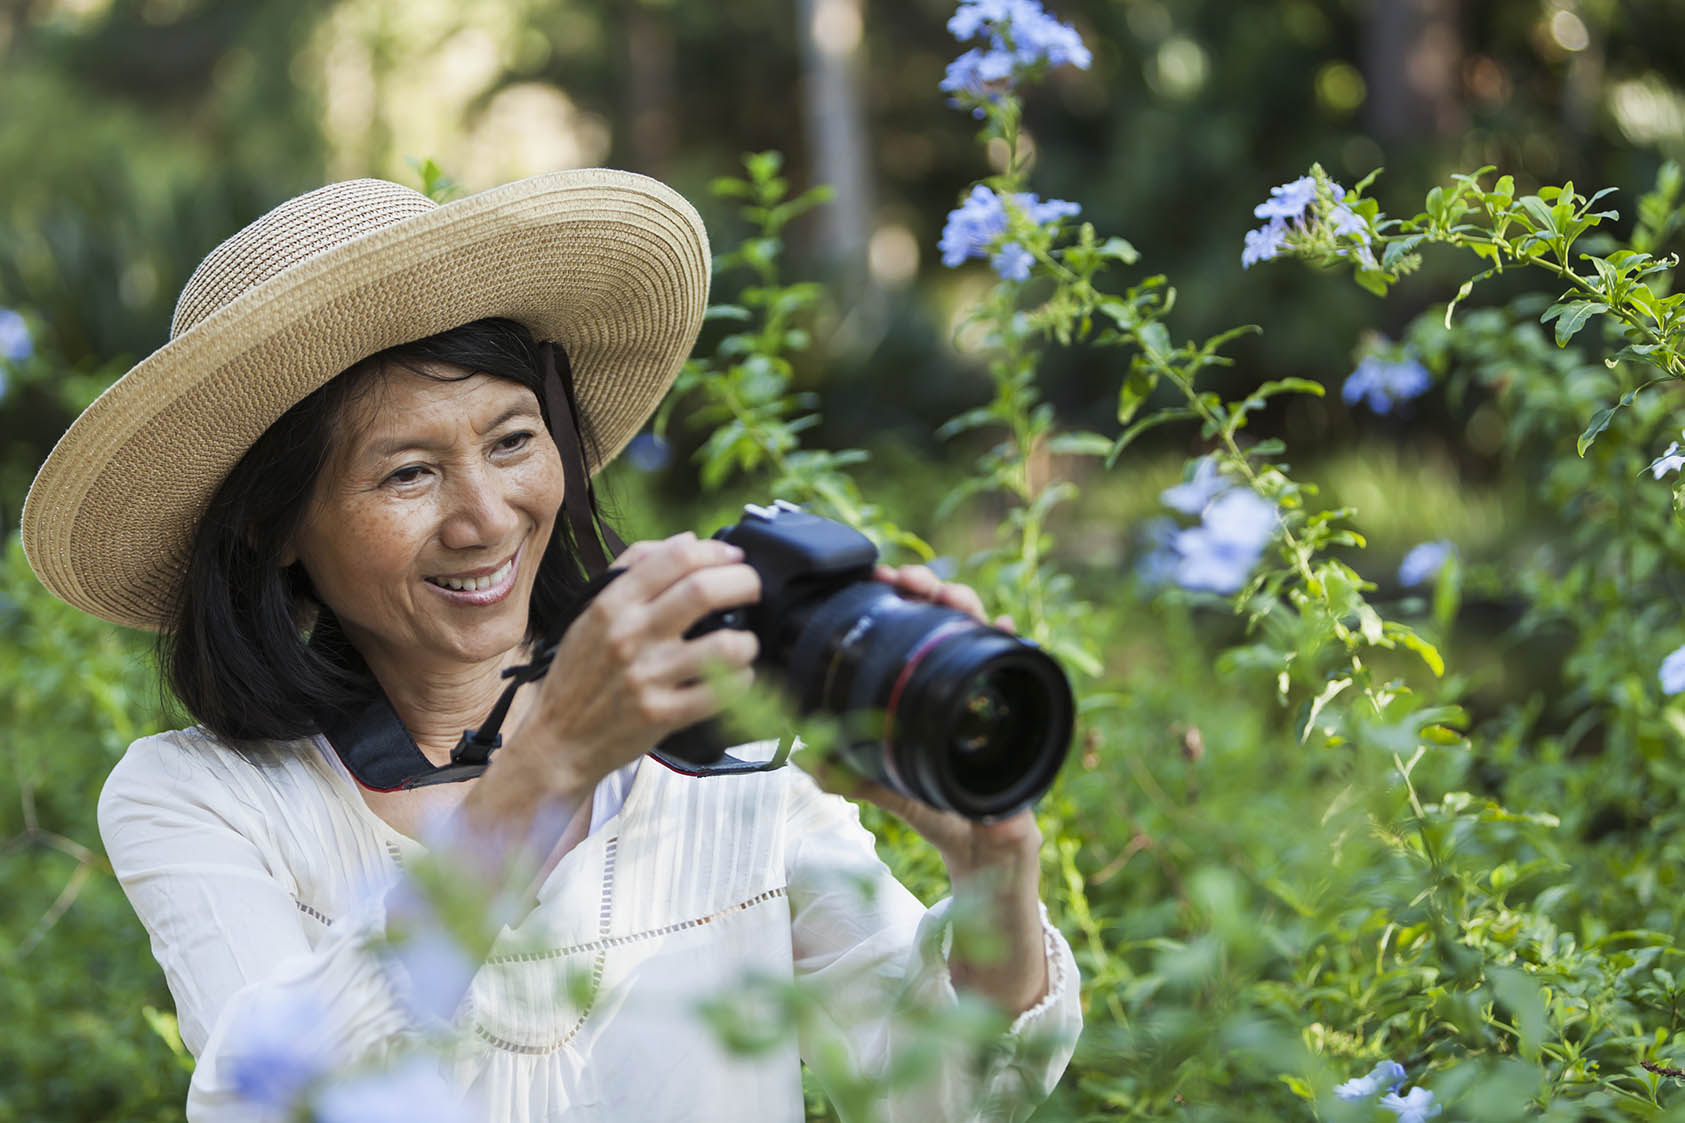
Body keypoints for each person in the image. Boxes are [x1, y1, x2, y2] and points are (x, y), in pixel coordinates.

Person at [21, 170, 1081, 1121]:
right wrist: (549, 766)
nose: (485, 517)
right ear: (273, 522)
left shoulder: (715, 752)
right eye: (407, 473)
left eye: (514, 439)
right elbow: (275, 1100)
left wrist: (991, 861)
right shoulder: (204, 798)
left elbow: (943, 1089)